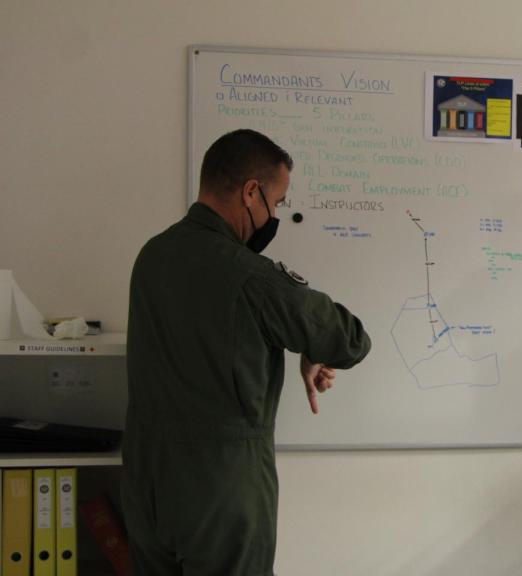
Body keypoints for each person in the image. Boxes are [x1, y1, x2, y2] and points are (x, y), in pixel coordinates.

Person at [121, 129, 371, 575]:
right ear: (251, 192)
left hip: (146, 485)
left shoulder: (152, 257)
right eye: (275, 204)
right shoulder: (250, 276)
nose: (274, 216)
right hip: (221, 492)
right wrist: (312, 349)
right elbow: (346, 339)